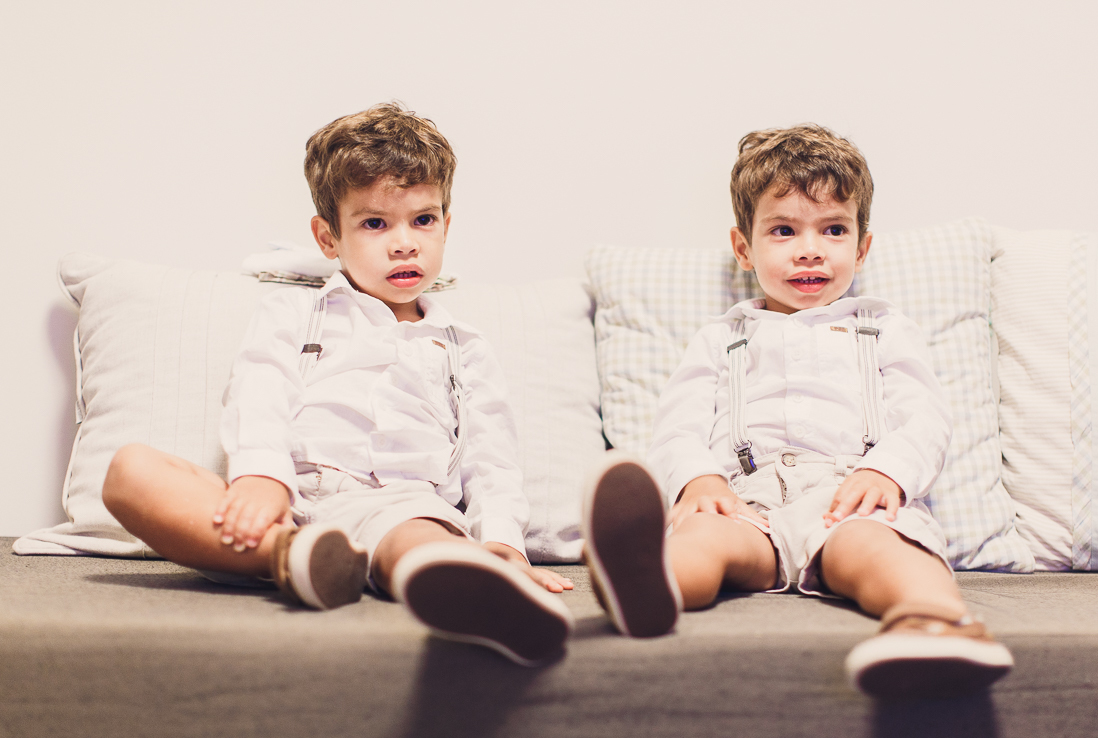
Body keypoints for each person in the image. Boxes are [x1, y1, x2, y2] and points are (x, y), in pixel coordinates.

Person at [102, 102, 573, 667]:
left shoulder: (463, 346)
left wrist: (500, 542)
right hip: (286, 508)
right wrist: (261, 479)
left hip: (398, 506)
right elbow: (261, 390)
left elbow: (492, 459)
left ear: (446, 224)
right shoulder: (294, 314)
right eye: (374, 223)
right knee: (131, 471)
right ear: (328, 237)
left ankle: (481, 600)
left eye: (423, 220)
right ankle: (296, 557)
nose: (404, 243)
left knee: (418, 539)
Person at [583, 124, 1012, 698]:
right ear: (744, 248)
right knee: (705, 541)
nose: (810, 248)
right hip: (746, 499)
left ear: (861, 247)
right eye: (783, 230)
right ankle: (645, 585)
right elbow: (677, 424)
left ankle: (932, 619)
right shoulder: (722, 337)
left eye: (833, 230)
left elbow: (925, 419)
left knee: (876, 548)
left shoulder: (882, 328)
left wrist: (887, 470)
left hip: (846, 497)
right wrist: (698, 479)